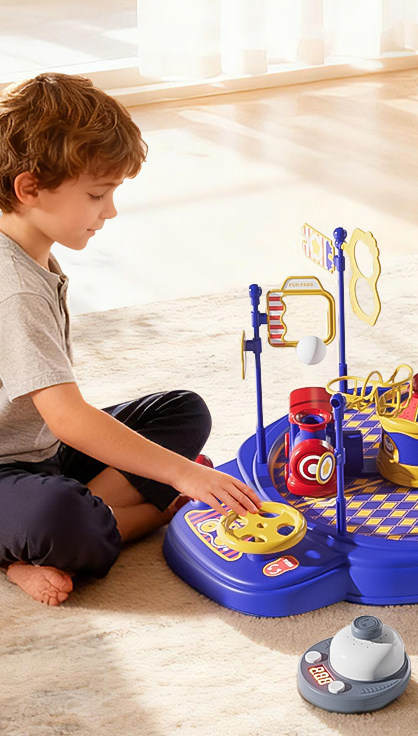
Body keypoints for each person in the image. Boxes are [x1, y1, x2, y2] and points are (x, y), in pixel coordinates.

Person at [0, 73, 261, 606]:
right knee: (66, 518)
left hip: (41, 452)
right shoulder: (14, 288)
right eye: (97, 194)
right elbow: (67, 417)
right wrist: (182, 476)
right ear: (28, 189)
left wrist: (176, 472)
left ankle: (91, 518)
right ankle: (29, 551)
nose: (110, 210)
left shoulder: (31, 248)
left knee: (184, 411)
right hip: (9, 468)